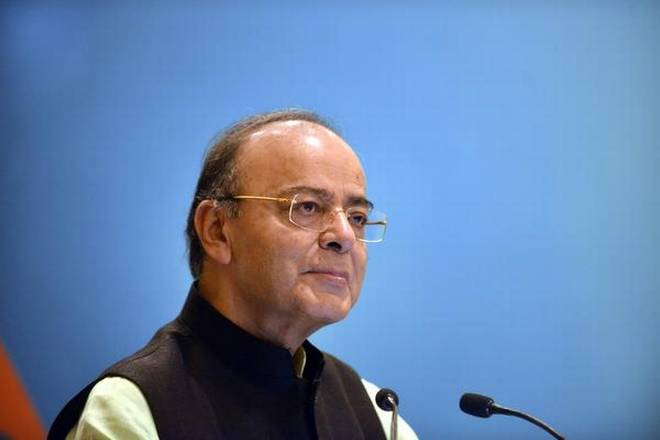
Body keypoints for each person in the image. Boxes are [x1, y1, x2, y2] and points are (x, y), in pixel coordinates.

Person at [49, 109, 418, 439]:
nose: (344, 236)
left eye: (357, 217)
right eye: (306, 207)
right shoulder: (131, 412)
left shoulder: (375, 414)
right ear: (217, 230)